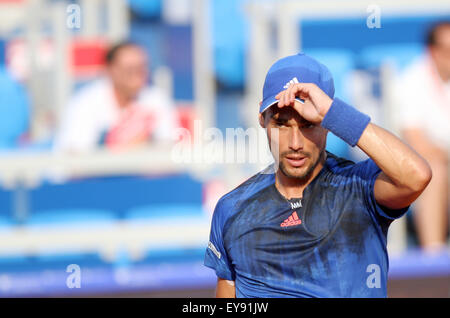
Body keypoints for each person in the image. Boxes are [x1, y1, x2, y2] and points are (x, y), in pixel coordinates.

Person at [204, 53, 432, 298]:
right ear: (262, 120)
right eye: (281, 124)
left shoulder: (359, 186)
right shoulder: (232, 208)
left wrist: (335, 114)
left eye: (308, 125)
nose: (294, 143)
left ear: (327, 123)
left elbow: (416, 176)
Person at [54, 41, 179, 152]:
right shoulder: (85, 103)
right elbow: (76, 157)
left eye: (141, 68)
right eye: (130, 70)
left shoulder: (156, 100)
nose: (138, 76)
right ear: (111, 70)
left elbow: (168, 148)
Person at [393, 21, 450, 252]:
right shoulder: (410, 83)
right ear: (433, 51)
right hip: (421, 168)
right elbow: (417, 143)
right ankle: (434, 259)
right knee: (432, 169)